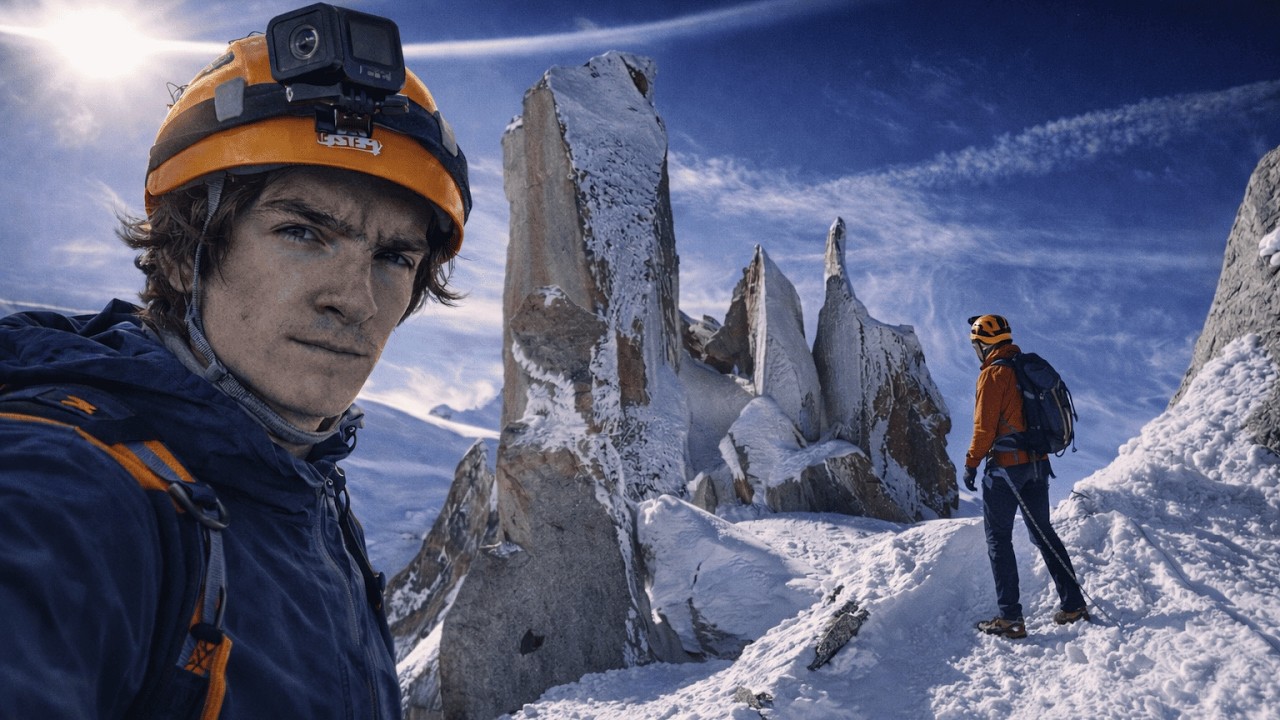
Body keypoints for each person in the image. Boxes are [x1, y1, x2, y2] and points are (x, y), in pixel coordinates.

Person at [0, 5, 469, 717]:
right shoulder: (74, 487)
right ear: (185, 254)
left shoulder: (307, 494)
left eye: (394, 257)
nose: (356, 300)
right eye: (302, 232)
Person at [962, 314, 1087, 639]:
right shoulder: (1025, 369)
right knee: (1043, 533)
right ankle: (1073, 604)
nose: (976, 351)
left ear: (984, 344)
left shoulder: (993, 374)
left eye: (976, 345)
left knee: (999, 539)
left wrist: (971, 464)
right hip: (1037, 466)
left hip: (1005, 469)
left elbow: (984, 429)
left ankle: (1011, 618)